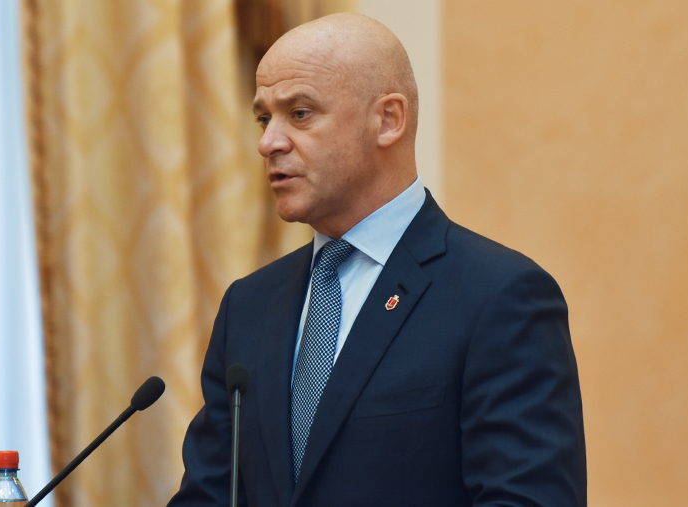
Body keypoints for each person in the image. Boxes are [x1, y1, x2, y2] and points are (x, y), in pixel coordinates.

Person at [168, 13, 586, 507]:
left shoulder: (499, 297)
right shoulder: (248, 305)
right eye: (264, 119)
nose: (268, 142)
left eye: (299, 113)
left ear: (388, 119)